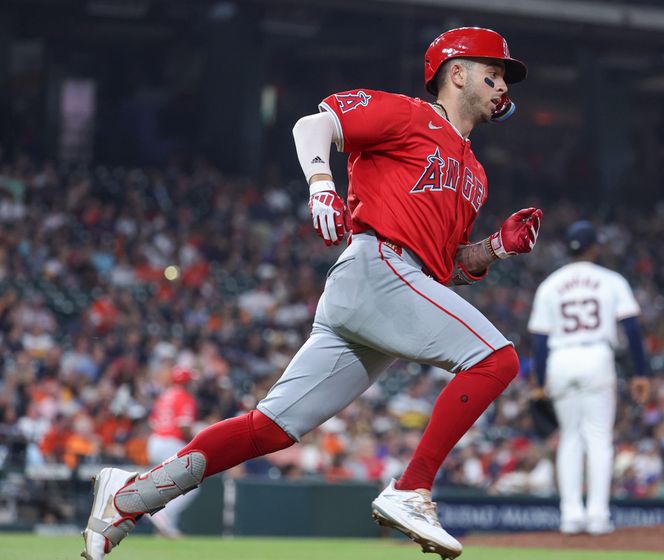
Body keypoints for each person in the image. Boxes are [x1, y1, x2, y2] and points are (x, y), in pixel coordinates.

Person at [81, 26, 541, 560]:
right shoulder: (408, 114)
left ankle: (130, 495)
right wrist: (321, 184)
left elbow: (444, 268)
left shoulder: (476, 175)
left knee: (269, 429)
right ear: (456, 72)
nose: (503, 83)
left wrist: (496, 249)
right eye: (495, 70)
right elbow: (311, 126)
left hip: (391, 287)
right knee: (497, 360)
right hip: (377, 268)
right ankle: (412, 488)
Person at [527, 221, 650, 535]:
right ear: (595, 247)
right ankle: (597, 515)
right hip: (597, 355)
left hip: (560, 358)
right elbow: (632, 329)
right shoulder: (610, 280)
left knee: (570, 437)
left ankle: (570, 515)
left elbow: (540, 340)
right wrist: (640, 371)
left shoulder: (551, 284)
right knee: (597, 437)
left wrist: (540, 380)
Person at [145, 366, 198, 537]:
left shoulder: (164, 396)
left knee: (170, 486)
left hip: (154, 442)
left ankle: (167, 529)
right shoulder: (185, 397)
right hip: (171, 442)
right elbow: (184, 427)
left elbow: (152, 422)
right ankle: (162, 514)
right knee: (192, 485)